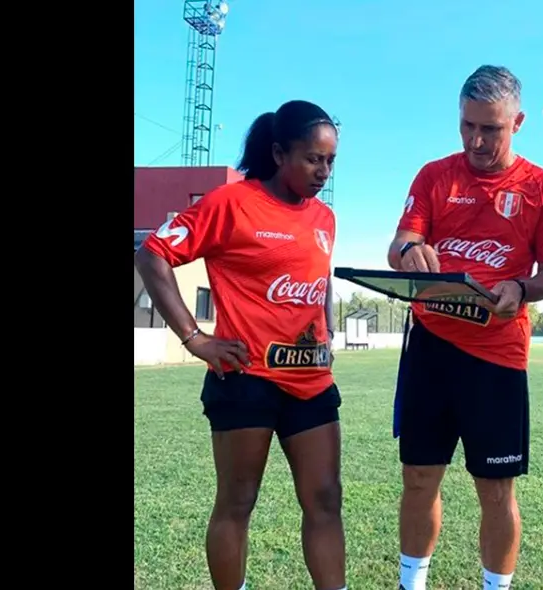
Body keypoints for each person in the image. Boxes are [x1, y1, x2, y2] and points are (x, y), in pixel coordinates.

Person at [135, 100, 347, 590]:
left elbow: (321, 278)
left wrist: (329, 329)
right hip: (245, 379)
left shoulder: (325, 218)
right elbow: (153, 255)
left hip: (311, 382)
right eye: (313, 158)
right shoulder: (231, 203)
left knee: (326, 500)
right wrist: (194, 337)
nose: (324, 171)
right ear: (278, 153)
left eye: (331, 160)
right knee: (236, 502)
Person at [387, 65, 543, 590]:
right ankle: (411, 583)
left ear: (518, 122)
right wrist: (410, 250)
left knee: (496, 489)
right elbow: (398, 244)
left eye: (490, 129)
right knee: (419, 478)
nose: (476, 140)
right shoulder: (434, 175)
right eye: (467, 126)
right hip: (430, 348)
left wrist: (522, 288)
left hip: (497, 357)